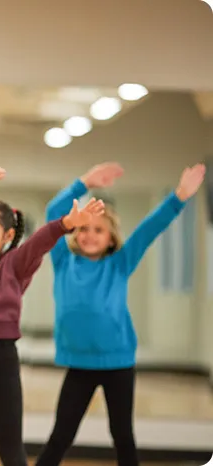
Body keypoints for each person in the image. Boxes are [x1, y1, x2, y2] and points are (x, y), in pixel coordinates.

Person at [0, 164, 105, 466]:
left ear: (8, 235)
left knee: (11, 453)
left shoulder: (15, 264)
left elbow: (40, 241)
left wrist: (65, 223)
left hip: (1, 362)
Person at [35, 162, 206, 466]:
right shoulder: (63, 259)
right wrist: (84, 181)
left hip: (118, 364)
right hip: (79, 364)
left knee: (122, 435)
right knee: (61, 435)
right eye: (84, 228)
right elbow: (53, 213)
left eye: (98, 230)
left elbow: (150, 228)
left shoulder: (120, 263)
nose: (90, 235)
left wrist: (179, 196)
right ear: (74, 231)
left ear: (111, 237)